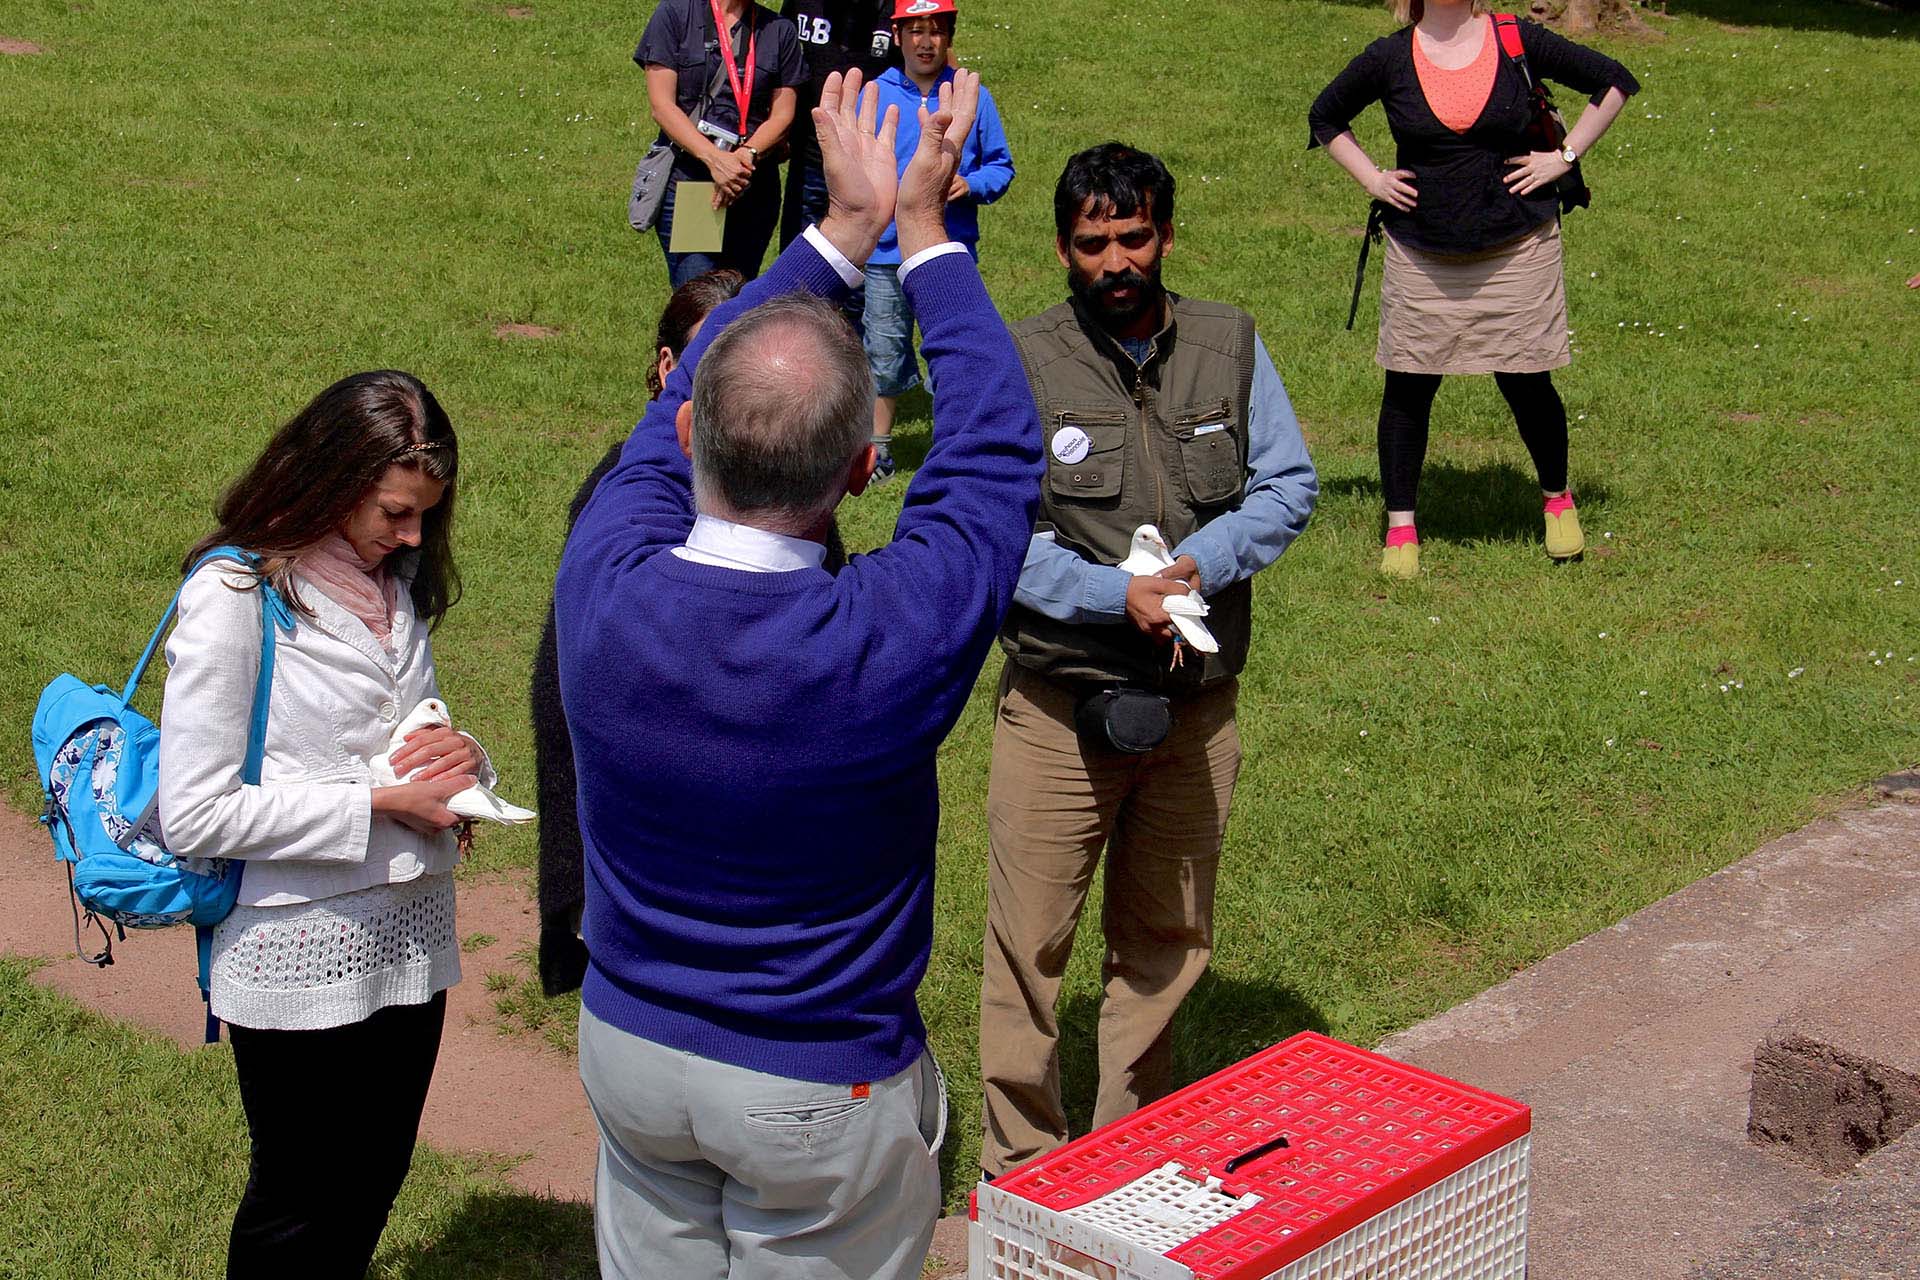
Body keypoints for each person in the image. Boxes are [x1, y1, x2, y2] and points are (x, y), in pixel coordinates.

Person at [554, 69, 1041, 1278]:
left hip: (631, 1048)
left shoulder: (602, 578)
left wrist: (841, 230)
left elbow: (699, 381)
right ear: (866, 470)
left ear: (686, 433)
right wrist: (925, 233)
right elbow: (992, 452)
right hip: (818, 1082)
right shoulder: (885, 640)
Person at [977, 143, 1319, 1179]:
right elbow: (993, 534)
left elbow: (1288, 484)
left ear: (1166, 235)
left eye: (1134, 237)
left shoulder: (1230, 343)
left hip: (1193, 710)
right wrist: (1111, 595)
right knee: (1028, 953)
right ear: (1062, 249)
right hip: (1060, 708)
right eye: (1093, 243)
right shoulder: (1019, 360)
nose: (1116, 261)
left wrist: (1199, 564)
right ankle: (1021, 1172)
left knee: (1166, 943)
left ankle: (1131, 1161)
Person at [157, 371, 492, 1276]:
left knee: (373, 1180)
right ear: (333, 480)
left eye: (425, 514)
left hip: (412, 936)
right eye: (395, 511)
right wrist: (378, 802)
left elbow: (408, 724)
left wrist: (461, 756)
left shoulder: (396, 584)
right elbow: (195, 812)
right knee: (299, 1202)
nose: (412, 535)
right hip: (295, 948)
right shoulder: (234, 594)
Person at [1308, 0, 1638, 577]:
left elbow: (1614, 81)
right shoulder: (1389, 56)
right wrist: (1374, 179)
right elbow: (1325, 115)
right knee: (1408, 388)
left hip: (1518, 244)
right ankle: (1401, 528)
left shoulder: (1517, 40)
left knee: (1527, 380)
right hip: (1420, 251)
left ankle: (1557, 501)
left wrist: (1563, 158)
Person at [531, 270, 745, 996]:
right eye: (710, 358)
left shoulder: (781, 485)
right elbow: (567, 685)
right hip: (645, 835)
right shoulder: (618, 495)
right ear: (667, 365)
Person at [860, 0, 1014, 482]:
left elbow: (1001, 166)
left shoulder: (973, 97)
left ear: (949, 36)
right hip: (886, 251)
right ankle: (878, 450)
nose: (925, 42)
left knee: (952, 348)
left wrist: (972, 183)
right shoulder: (875, 93)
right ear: (897, 37)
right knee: (882, 348)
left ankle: (952, 444)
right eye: (915, 31)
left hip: (948, 251)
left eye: (935, 31)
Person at [636, 0, 809, 286]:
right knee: (700, 296)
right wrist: (714, 159)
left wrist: (746, 155)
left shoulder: (780, 31)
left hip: (751, 186)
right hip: (693, 184)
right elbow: (662, 106)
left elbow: (783, 114)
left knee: (738, 298)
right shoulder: (677, 14)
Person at [778, 0, 898, 251]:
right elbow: (779, 57)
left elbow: (931, 62)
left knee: (860, 257)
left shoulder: (896, 8)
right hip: (810, 158)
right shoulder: (801, 3)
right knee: (800, 256)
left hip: (869, 162)